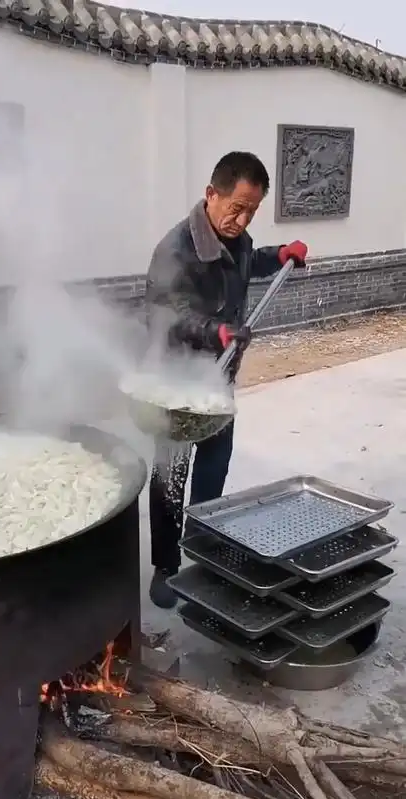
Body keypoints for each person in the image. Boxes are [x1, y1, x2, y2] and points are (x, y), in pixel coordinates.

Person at [145, 151, 308, 609]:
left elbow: (244, 263)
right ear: (210, 194)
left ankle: (201, 551)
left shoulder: (235, 238)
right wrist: (212, 330)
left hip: (217, 381)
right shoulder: (174, 249)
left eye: (251, 210)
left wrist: (277, 256)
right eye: (236, 206)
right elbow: (165, 312)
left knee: (213, 468)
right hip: (173, 384)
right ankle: (165, 565)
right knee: (169, 480)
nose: (241, 218)